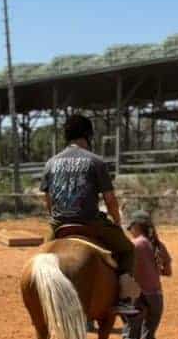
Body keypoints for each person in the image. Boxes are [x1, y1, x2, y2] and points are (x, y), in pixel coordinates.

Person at [41, 113, 139, 315]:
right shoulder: (96, 161)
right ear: (88, 135)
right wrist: (117, 222)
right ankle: (124, 299)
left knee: (41, 257)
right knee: (128, 249)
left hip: (59, 224)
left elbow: (48, 200)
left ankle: (43, 299)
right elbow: (110, 199)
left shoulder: (50, 163)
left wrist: (55, 219)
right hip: (90, 222)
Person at [122, 210, 173, 339]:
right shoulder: (157, 245)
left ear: (136, 226)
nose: (130, 231)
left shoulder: (132, 245)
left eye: (131, 228)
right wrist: (154, 268)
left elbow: (124, 271)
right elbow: (167, 271)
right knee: (149, 336)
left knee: (129, 335)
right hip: (156, 297)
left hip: (137, 296)